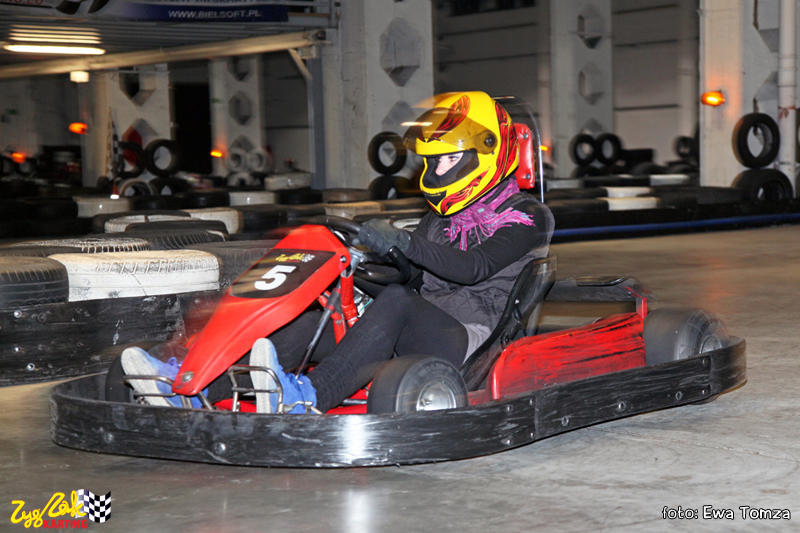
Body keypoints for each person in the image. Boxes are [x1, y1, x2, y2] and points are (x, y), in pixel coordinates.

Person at [121, 91, 554, 413]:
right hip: (423, 324)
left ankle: (310, 395)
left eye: (446, 161)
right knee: (316, 314)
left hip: (473, 340)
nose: (435, 170)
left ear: (484, 154)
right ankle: (194, 389)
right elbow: (415, 278)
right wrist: (362, 267)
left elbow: (474, 268)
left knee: (397, 303)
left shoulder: (528, 215)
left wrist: (404, 243)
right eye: (432, 161)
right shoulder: (439, 219)